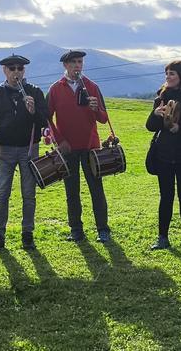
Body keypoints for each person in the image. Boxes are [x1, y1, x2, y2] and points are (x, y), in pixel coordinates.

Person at [0, 54, 48, 251]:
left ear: (24, 71)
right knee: (2, 194)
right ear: (5, 71)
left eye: (20, 68)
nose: (16, 72)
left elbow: (45, 122)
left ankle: (27, 233)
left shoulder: (34, 92)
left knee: (29, 193)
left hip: (28, 149)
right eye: (12, 68)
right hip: (5, 150)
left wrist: (34, 111)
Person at [47, 49, 112, 242]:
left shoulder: (92, 86)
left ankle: (103, 229)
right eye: (73, 62)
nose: (77, 66)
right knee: (71, 191)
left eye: (80, 62)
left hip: (90, 145)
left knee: (96, 189)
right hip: (68, 148)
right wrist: (60, 140)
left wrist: (96, 108)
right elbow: (47, 118)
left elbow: (104, 118)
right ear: (65, 65)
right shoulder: (55, 89)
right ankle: (76, 230)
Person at [145, 61, 181, 251]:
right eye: (167, 73)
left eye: (172, 74)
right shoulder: (160, 98)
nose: (168, 77)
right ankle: (162, 237)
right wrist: (155, 114)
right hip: (164, 155)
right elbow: (150, 127)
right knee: (166, 196)